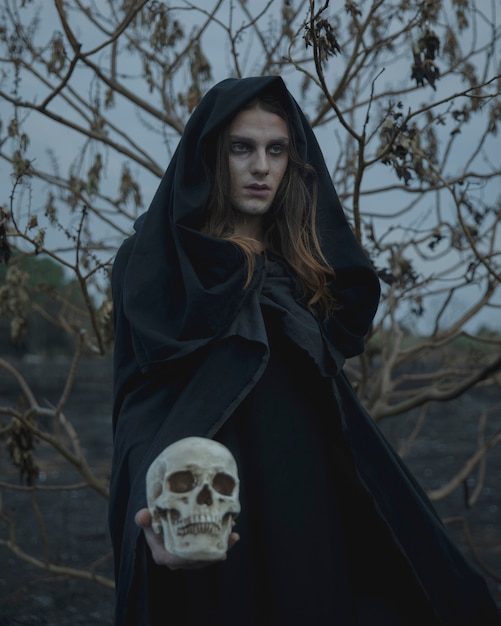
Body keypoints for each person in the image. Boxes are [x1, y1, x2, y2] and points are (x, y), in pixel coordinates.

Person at [109, 75, 501, 626]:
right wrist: (150, 520)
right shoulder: (155, 265)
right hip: (209, 510)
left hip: (307, 507)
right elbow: (136, 405)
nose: (261, 167)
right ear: (211, 156)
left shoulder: (308, 270)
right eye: (242, 148)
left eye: (277, 150)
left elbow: (329, 410)